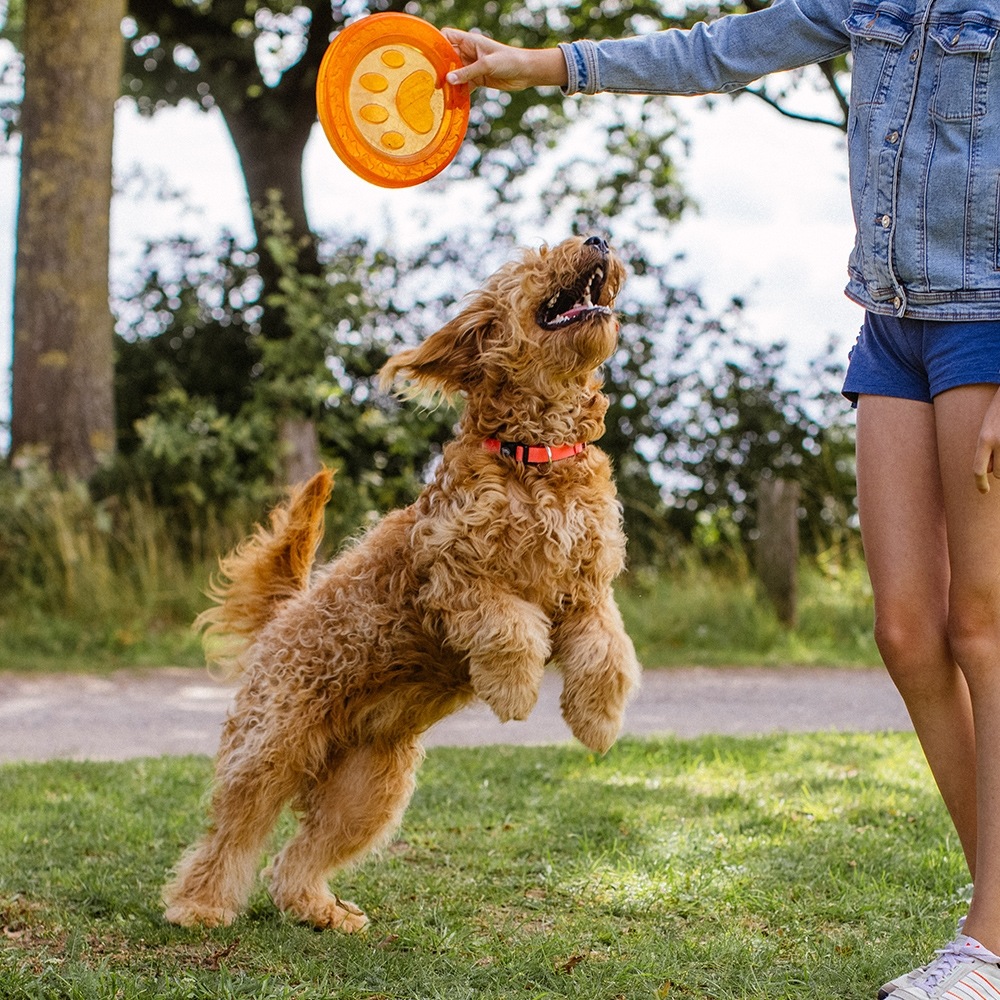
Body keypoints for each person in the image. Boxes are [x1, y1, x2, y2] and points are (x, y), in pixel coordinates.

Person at [442, 3, 1000, 999]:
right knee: (907, 633)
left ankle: (985, 942)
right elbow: (714, 51)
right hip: (892, 325)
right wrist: (531, 64)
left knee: (981, 626)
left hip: (987, 324)